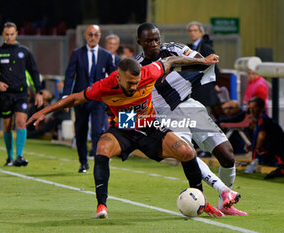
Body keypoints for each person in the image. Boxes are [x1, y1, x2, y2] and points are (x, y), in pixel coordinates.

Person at [27, 56, 240, 219]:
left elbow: (171, 61)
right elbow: (74, 98)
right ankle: (102, 205)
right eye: (129, 83)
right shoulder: (104, 86)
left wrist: (200, 61)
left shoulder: (149, 72)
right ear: (118, 77)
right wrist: (44, 111)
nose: (134, 87)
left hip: (149, 126)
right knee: (102, 147)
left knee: (186, 151)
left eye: (137, 83)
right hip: (123, 128)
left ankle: (202, 201)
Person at [135, 22, 247, 216]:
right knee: (188, 153)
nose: (154, 44)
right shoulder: (136, 66)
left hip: (190, 107)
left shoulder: (172, 49)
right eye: (148, 41)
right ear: (140, 42)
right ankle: (224, 191)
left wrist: (174, 65)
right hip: (166, 115)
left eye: (156, 39)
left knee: (227, 154)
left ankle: (223, 202)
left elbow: (198, 61)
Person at [0, 22, 43, 167]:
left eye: (12, 34)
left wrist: (39, 91)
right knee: (7, 125)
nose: (10, 37)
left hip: (21, 93)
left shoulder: (24, 52)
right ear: (3, 35)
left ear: (16, 33)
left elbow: (34, 71)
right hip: (5, 95)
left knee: (21, 122)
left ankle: (19, 156)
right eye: (7, 34)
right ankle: (9, 157)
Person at [62, 25, 116, 173]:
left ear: (100, 37)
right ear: (85, 36)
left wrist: (116, 95)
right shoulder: (77, 53)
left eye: (96, 35)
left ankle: (98, 161)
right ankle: (83, 162)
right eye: (90, 35)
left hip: (98, 98)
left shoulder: (106, 55)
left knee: (98, 130)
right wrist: (66, 96)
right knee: (80, 130)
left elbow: (114, 76)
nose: (93, 38)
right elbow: (69, 75)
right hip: (80, 97)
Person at [245, 97, 284, 179]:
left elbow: (262, 135)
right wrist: (253, 147)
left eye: (254, 107)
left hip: (282, 163)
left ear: (261, 108)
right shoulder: (262, 121)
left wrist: (258, 148)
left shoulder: (263, 119)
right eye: (250, 108)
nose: (252, 110)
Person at [186, 21, 221, 117]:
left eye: (195, 30)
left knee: (205, 117)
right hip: (195, 87)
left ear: (201, 32)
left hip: (204, 88)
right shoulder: (189, 48)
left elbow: (215, 67)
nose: (192, 33)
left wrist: (214, 83)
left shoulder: (205, 47)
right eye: (190, 31)